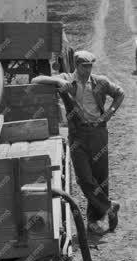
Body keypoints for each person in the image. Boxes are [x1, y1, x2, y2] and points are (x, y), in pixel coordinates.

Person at [32, 50, 124, 235]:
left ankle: (97, 220)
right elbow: (37, 80)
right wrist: (58, 82)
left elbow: (120, 93)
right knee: (84, 178)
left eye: (90, 66)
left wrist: (109, 113)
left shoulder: (101, 82)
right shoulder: (67, 79)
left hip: (98, 133)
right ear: (76, 65)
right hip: (77, 134)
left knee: (100, 177)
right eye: (84, 66)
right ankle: (108, 207)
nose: (88, 70)